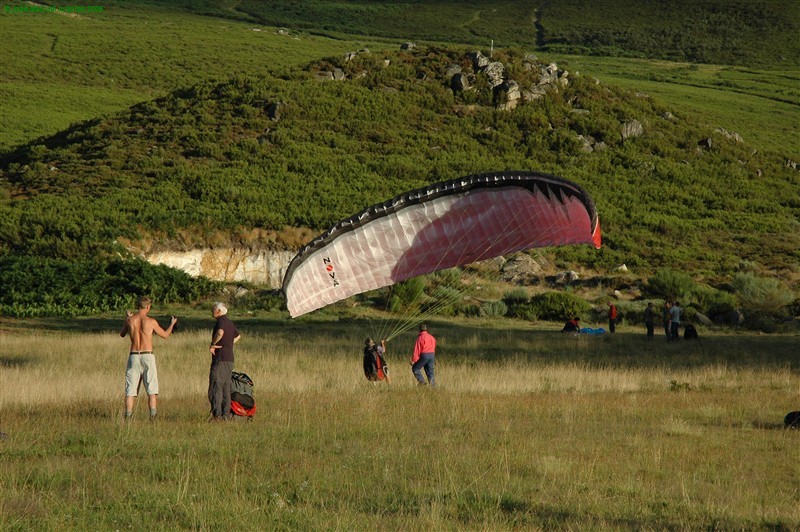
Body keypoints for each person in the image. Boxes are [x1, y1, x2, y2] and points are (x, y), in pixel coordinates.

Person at [120, 296, 177, 420]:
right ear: (147, 306)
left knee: (130, 390)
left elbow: (122, 334)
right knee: (151, 389)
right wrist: (172, 324)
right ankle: (153, 416)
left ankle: (128, 416)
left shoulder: (130, 320)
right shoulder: (151, 321)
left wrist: (126, 319)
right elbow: (165, 335)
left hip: (134, 355)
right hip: (147, 355)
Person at [209, 302, 241, 421]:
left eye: (213, 309)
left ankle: (217, 415)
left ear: (219, 311)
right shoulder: (230, 322)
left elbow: (220, 332)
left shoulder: (221, 321)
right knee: (226, 387)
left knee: (217, 385)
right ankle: (226, 414)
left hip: (221, 358)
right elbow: (238, 336)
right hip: (230, 358)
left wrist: (213, 344)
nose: (212, 311)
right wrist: (228, 344)